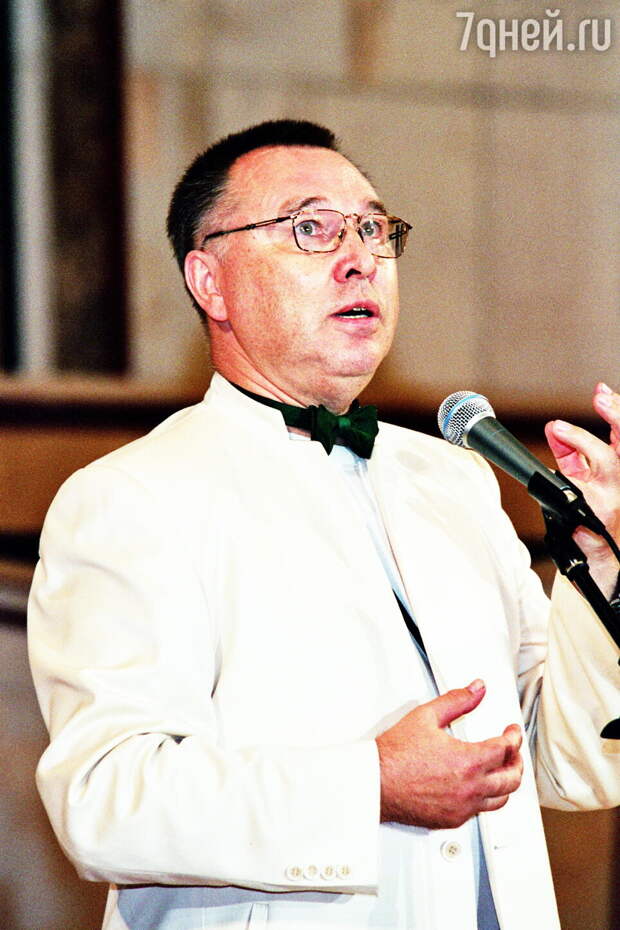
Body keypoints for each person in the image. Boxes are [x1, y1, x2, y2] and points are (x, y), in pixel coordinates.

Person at [28, 120, 620, 930]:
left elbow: (568, 761)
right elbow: (105, 800)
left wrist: (602, 559)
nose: (361, 257)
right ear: (210, 282)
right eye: (311, 228)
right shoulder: (131, 497)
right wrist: (368, 783)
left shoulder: (453, 479)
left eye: (374, 229)